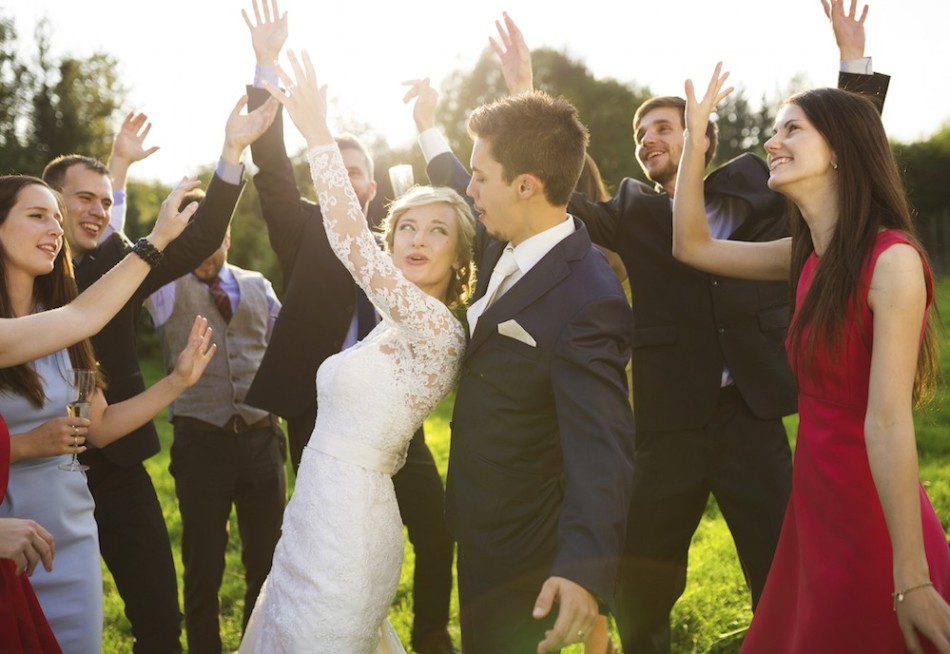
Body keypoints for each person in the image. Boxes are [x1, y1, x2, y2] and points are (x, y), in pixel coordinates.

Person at [671, 62, 950, 654]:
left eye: (791, 129)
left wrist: (912, 573)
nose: (771, 142)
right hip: (814, 506)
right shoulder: (806, 257)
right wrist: (693, 144)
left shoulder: (892, 262)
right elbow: (691, 245)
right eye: (775, 130)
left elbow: (888, 420)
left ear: (841, 150)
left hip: (874, 514)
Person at [233, 48, 474, 654]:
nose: (417, 240)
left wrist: (317, 133)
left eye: (437, 230)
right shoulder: (392, 326)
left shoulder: (438, 328)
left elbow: (351, 244)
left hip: (351, 529)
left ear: (460, 256)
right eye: (407, 229)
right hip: (312, 515)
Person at [40, 95, 276, 653]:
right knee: (47, 625)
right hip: (36, 474)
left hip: (118, 468)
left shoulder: (116, 264)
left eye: (106, 200)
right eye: (84, 199)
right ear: (50, 205)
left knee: (159, 624)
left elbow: (194, 238)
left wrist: (231, 152)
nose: (99, 210)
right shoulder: (19, 285)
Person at [0, 174, 216, 653]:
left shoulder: (64, 327)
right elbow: (87, 313)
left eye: (57, 218)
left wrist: (177, 381)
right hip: (9, 532)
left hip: (71, 537)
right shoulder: (56, 322)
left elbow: (96, 428)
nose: (55, 228)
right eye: (37, 216)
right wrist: (157, 238)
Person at [146, 200, 286, 654]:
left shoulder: (258, 285)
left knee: (266, 563)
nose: (204, 250)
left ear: (227, 237)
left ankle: (255, 645)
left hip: (263, 440)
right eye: (194, 240)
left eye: (213, 239)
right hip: (200, 444)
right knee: (202, 564)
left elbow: (291, 342)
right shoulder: (165, 289)